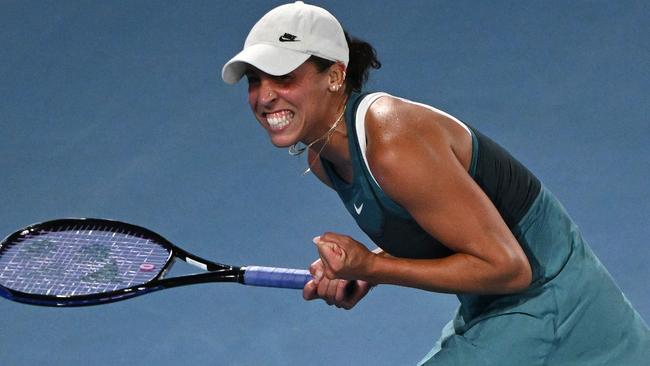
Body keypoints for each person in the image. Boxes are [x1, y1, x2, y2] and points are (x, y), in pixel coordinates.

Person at [221, 2, 649, 364]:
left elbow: (509, 269)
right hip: (501, 309)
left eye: (284, 77)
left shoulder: (391, 141)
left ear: (334, 75)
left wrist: (373, 267)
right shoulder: (321, 156)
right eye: (255, 80)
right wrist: (363, 271)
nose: (264, 96)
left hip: (553, 310)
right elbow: (438, 220)